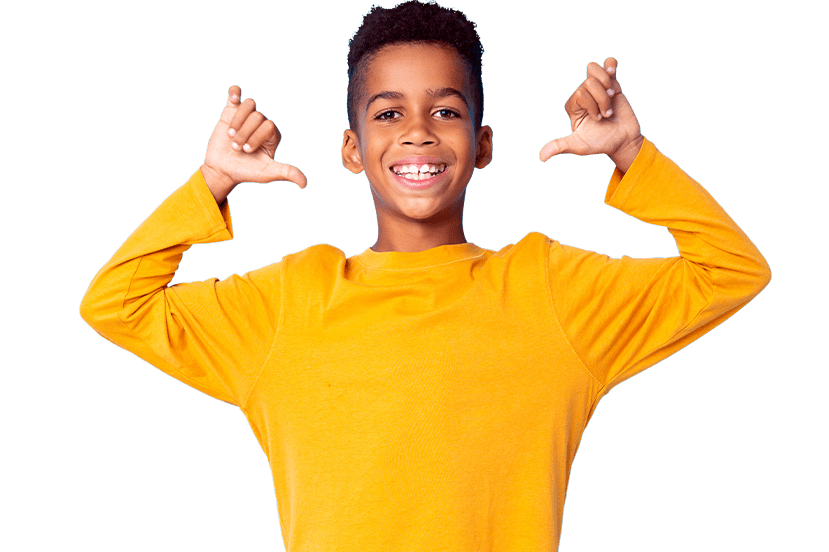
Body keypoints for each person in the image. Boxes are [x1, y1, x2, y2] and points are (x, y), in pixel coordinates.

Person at [79, 1, 771, 550]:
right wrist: (212, 182)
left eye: (446, 111)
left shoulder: (551, 289)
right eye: (388, 114)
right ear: (353, 149)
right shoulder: (289, 302)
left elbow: (731, 270)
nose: (417, 132)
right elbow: (116, 305)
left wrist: (632, 155)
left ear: (482, 144)